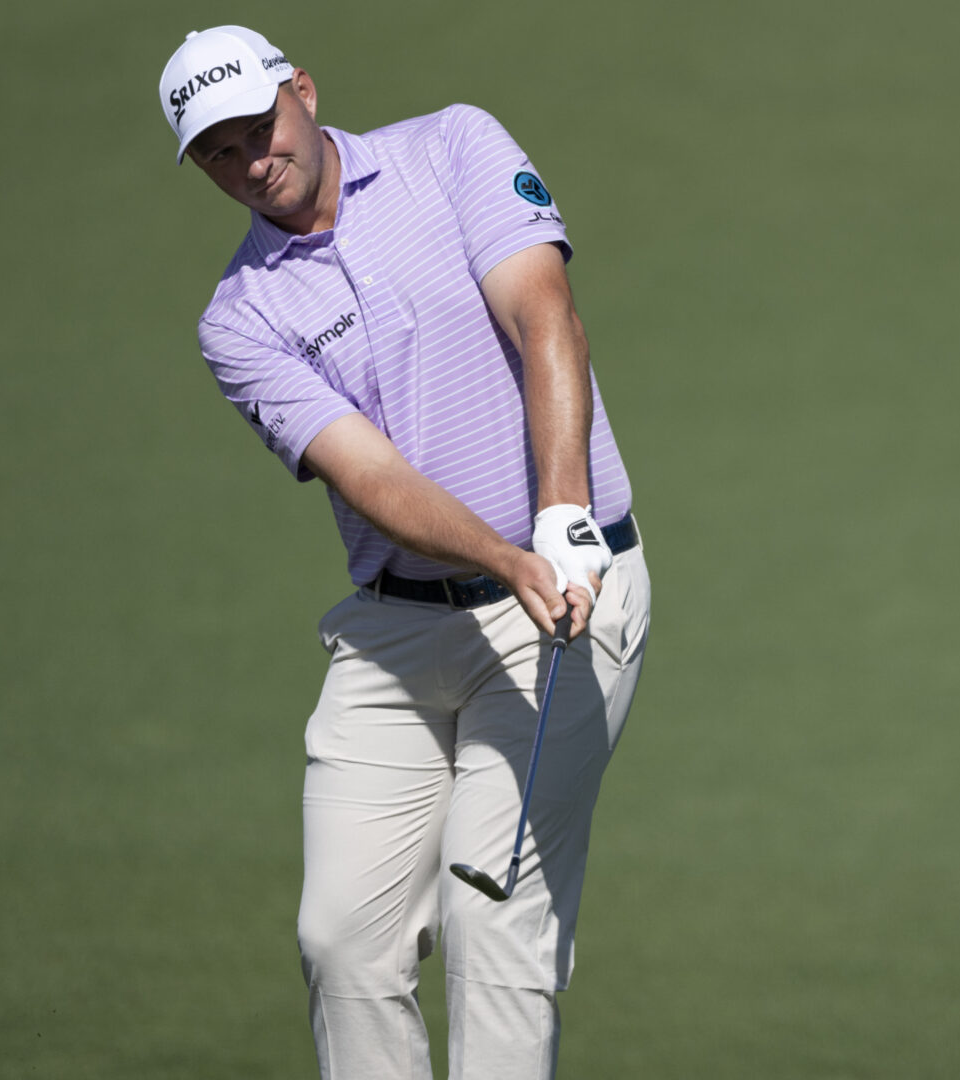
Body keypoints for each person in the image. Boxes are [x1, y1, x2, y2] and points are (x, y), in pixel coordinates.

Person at [158, 25, 651, 1079]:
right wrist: (506, 558)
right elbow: (369, 478)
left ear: (302, 90)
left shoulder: (450, 148)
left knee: (495, 919)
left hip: (568, 591)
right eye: (219, 152)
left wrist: (556, 521)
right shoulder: (238, 320)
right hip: (394, 631)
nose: (252, 161)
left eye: (260, 126)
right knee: (341, 940)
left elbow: (545, 314)